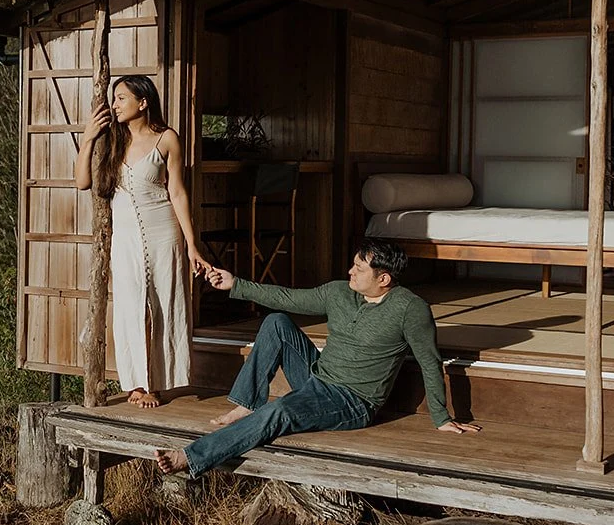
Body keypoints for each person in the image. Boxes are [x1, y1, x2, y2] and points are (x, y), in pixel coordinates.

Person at [155, 236, 480, 474]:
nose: (350, 271)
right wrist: (236, 284)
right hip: (316, 377)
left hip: (352, 401)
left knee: (280, 410)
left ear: (384, 279)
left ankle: (192, 457)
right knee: (277, 322)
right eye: (353, 264)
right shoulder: (340, 292)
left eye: (359, 268)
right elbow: (287, 298)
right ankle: (246, 403)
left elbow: (429, 361)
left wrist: (442, 417)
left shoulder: (410, 309)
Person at [75, 75, 209, 408]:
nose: (115, 105)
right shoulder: (110, 141)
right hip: (126, 239)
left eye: (121, 98)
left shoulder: (167, 139)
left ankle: (159, 384)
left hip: (165, 232)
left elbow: (177, 193)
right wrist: (89, 137)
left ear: (143, 102)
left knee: (166, 306)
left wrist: (192, 245)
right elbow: (82, 182)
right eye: (115, 99)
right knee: (128, 308)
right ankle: (136, 383)